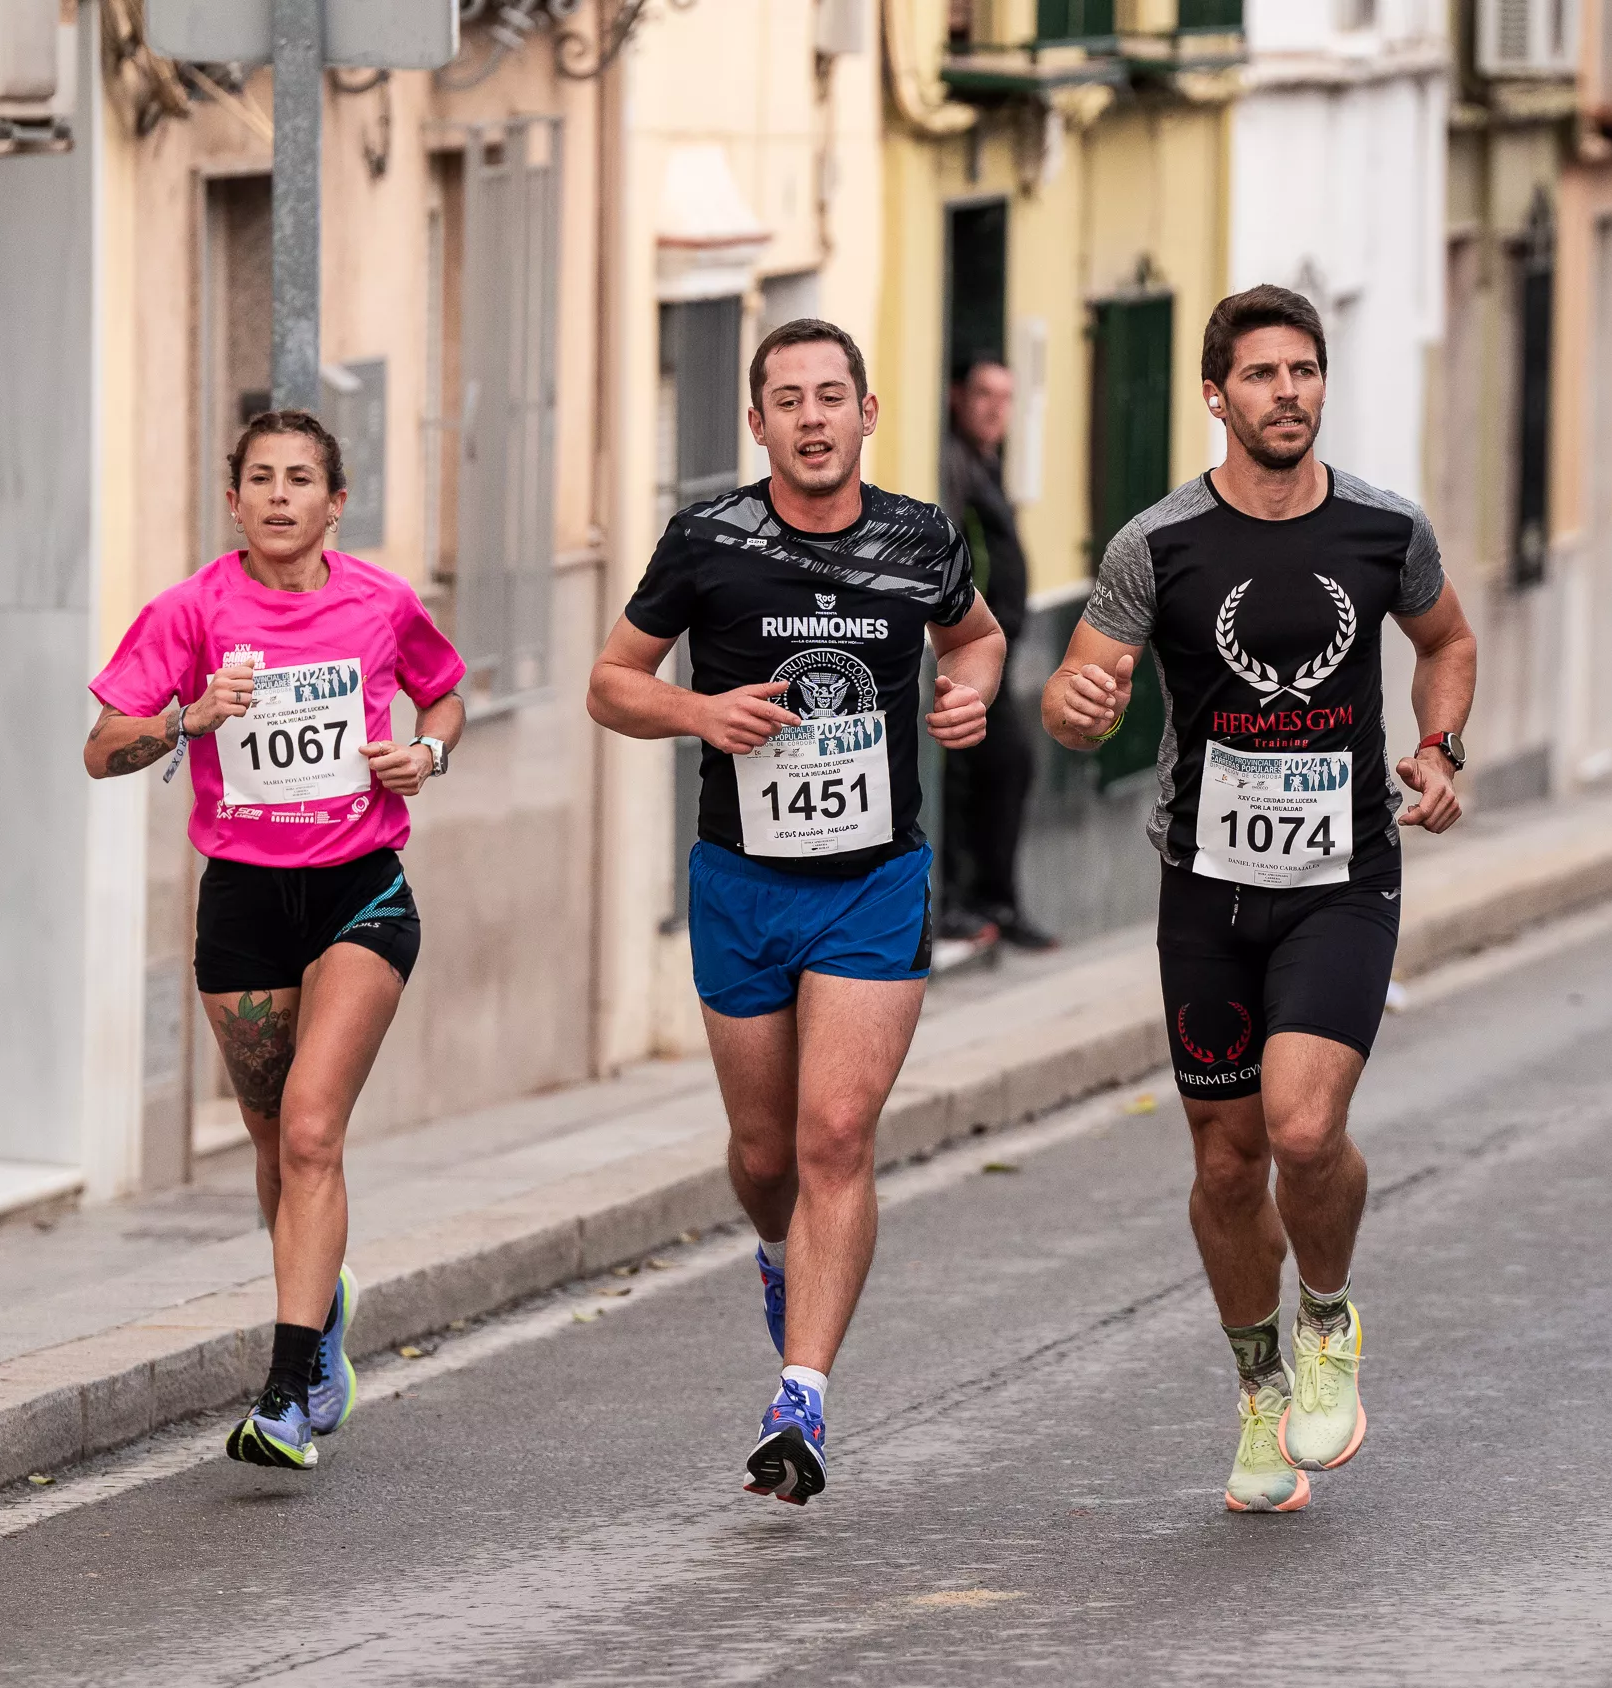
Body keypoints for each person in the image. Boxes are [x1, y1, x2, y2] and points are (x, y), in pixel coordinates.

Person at [1042, 285, 1478, 1514]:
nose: (1287, 393)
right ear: (1215, 394)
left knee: (1299, 1127)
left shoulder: (1385, 527)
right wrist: (1073, 703)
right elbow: (1086, 674)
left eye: (1306, 371)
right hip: (1206, 890)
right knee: (1227, 1161)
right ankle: (1257, 1385)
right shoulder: (1159, 543)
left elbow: (1446, 639)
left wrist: (1438, 744)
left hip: (1345, 876)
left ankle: (1329, 1312)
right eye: (1263, 374)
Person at [587, 318, 1007, 1505]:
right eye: (789, 398)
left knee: (834, 1133)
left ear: (868, 413)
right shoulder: (707, 537)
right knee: (768, 1155)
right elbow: (610, 682)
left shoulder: (921, 536)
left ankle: (802, 1396)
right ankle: (780, 1253)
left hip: (874, 883)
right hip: (742, 882)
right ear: (758, 421)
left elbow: (973, 637)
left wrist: (968, 694)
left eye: (833, 395)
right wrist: (700, 714)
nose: (813, 416)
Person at [84, 411, 468, 1471]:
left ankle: (289, 1390)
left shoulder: (382, 601)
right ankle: (324, 1304)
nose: (281, 494)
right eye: (261, 478)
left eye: (303, 478)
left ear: (336, 501)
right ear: (236, 500)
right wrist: (188, 718)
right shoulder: (193, 609)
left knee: (309, 1130)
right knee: (273, 1150)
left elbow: (445, 690)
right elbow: (101, 747)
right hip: (244, 904)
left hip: (361, 894)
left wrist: (426, 756)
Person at [936, 355, 1054, 952]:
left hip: (995, 653)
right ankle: (965, 900)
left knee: (1004, 766)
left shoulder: (987, 463)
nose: (993, 408)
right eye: (983, 394)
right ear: (957, 396)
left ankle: (994, 900)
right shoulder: (953, 465)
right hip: (964, 651)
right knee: (976, 768)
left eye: (1005, 398)